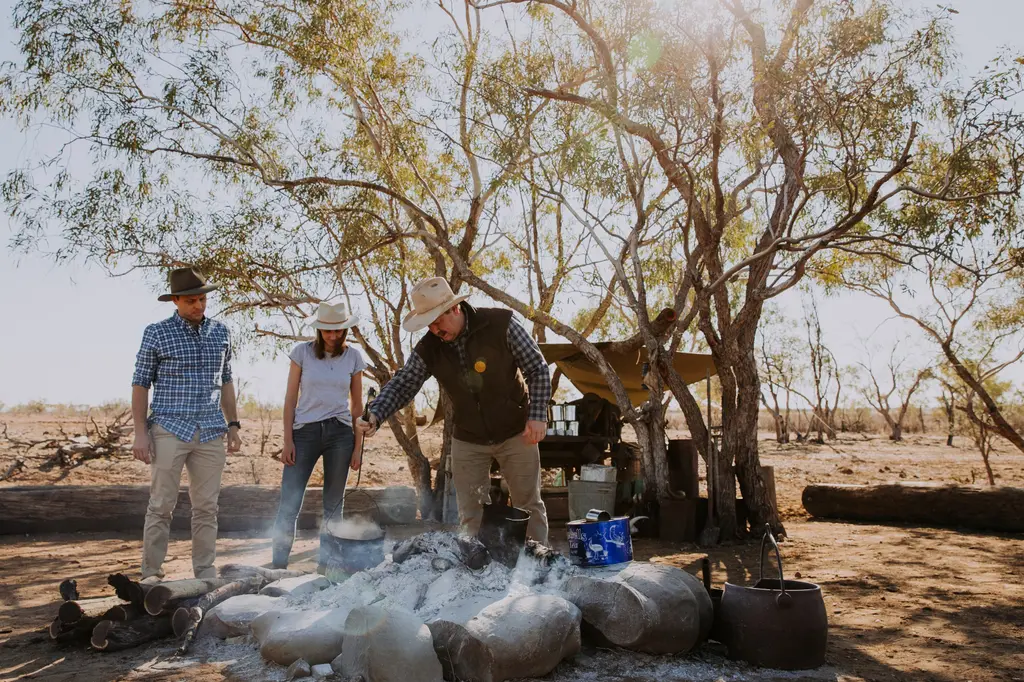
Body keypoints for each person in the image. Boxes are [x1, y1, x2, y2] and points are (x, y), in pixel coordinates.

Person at [356, 277, 551, 543]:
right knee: (470, 513)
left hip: (517, 431)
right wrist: (376, 414)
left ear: (455, 309)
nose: (435, 329)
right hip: (468, 437)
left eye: (438, 321)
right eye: (429, 324)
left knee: (528, 504)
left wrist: (538, 414)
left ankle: (537, 566)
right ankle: (475, 568)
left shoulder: (502, 324)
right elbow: (404, 383)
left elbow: (537, 368)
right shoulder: (429, 347)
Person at [130, 267, 242, 581]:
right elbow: (140, 384)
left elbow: (227, 381)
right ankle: (151, 574)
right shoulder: (156, 332)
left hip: (210, 431)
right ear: (176, 301)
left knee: (207, 507)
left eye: (202, 299)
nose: (198, 305)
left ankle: (205, 573)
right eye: (191, 300)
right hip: (168, 428)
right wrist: (140, 434)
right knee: (162, 504)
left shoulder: (221, 332)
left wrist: (233, 425)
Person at [271, 301, 368, 569]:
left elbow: (357, 406)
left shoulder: (354, 357)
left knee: (334, 506)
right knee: (289, 503)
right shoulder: (301, 353)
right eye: (327, 331)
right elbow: (290, 399)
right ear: (319, 330)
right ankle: (277, 566)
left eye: (338, 331)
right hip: (305, 433)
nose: (333, 336)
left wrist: (357, 447)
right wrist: (287, 441)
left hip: (340, 433)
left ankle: (328, 568)